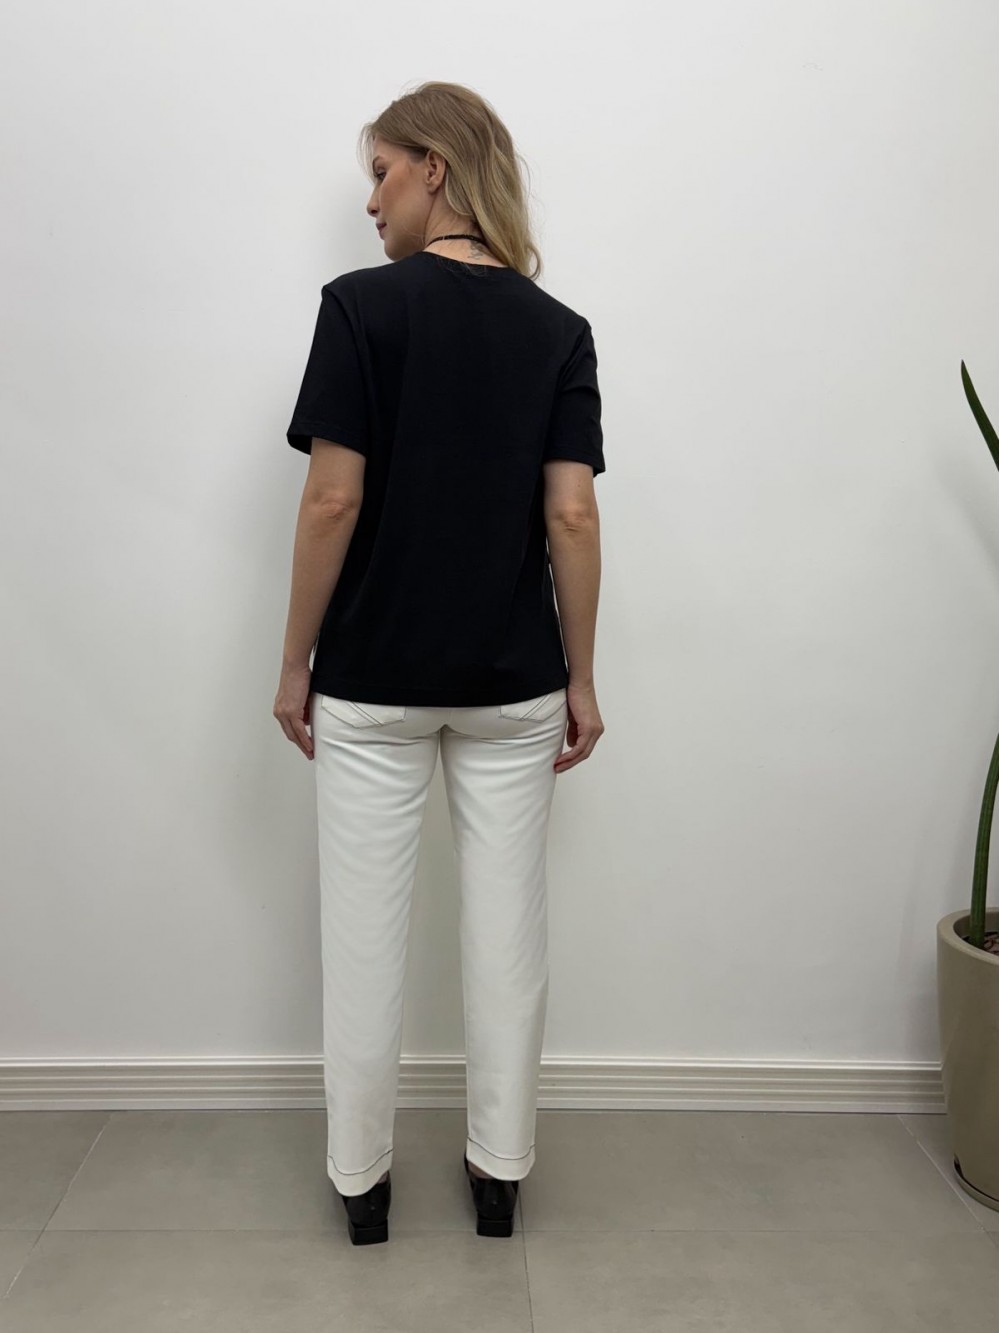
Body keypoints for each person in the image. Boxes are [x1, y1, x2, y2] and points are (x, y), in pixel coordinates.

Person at [274, 81, 605, 1245]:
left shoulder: (359, 310)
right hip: (515, 684)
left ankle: (362, 1186)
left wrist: (295, 659)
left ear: (435, 167)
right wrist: (581, 675)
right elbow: (571, 516)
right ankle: (499, 1176)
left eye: (380, 172)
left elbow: (331, 499)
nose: (370, 202)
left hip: (372, 682)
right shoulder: (558, 330)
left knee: (363, 940)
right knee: (507, 936)